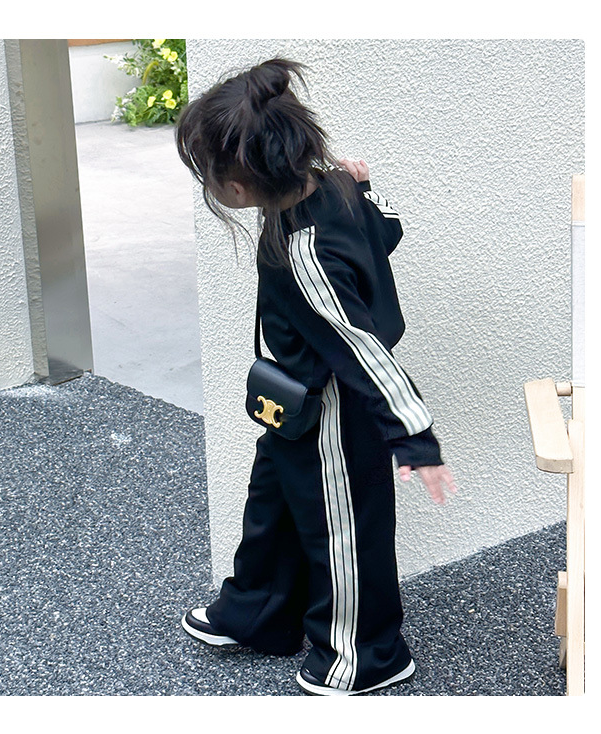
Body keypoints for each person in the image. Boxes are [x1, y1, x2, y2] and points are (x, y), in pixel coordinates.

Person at [175, 57, 457, 696]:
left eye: (208, 176)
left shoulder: (305, 255)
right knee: (274, 500)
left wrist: (414, 436)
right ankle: (258, 611)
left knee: (341, 528)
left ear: (239, 186)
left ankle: (368, 653)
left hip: (336, 405)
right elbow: (389, 230)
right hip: (294, 396)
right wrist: (366, 184)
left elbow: (363, 352)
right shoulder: (331, 184)